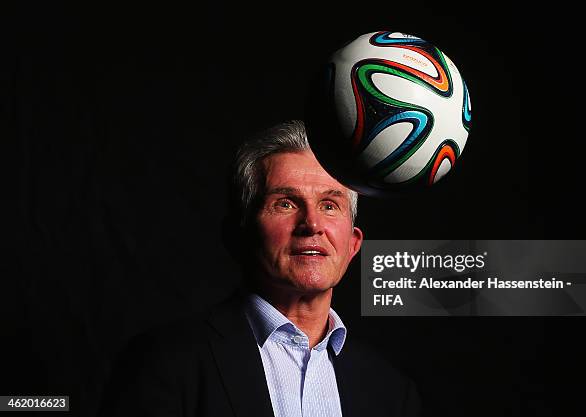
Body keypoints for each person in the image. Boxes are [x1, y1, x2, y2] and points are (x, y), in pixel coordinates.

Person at [99, 120, 420, 417]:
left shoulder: (391, 393)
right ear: (238, 236)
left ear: (352, 245)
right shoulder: (165, 363)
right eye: (285, 203)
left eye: (329, 205)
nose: (311, 224)